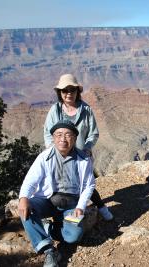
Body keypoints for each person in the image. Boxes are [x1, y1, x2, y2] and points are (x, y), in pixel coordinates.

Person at [18, 120, 94, 267]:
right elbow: (30, 181)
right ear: (53, 138)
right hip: (47, 202)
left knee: (73, 236)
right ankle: (49, 250)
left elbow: (89, 185)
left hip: (71, 206)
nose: (63, 139)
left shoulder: (84, 159)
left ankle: (48, 227)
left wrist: (81, 207)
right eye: (58, 135)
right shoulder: (44, 157)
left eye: (67, 135)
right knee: (25, 210)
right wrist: (23, 198)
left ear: (74, 138)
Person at [43, 74, 113, 221]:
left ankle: (101, 207)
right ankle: (63, 215)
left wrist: (87, 148)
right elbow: (48, 134)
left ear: (77, 91)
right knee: (63, 185)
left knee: (86, 183)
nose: (68, 93)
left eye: (72, 90)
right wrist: (53, 150)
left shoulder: (86, 110)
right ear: (59, 93)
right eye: (65, 90)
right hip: (60, 156)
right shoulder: (54, 110)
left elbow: (93, 133)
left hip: (81, 154)